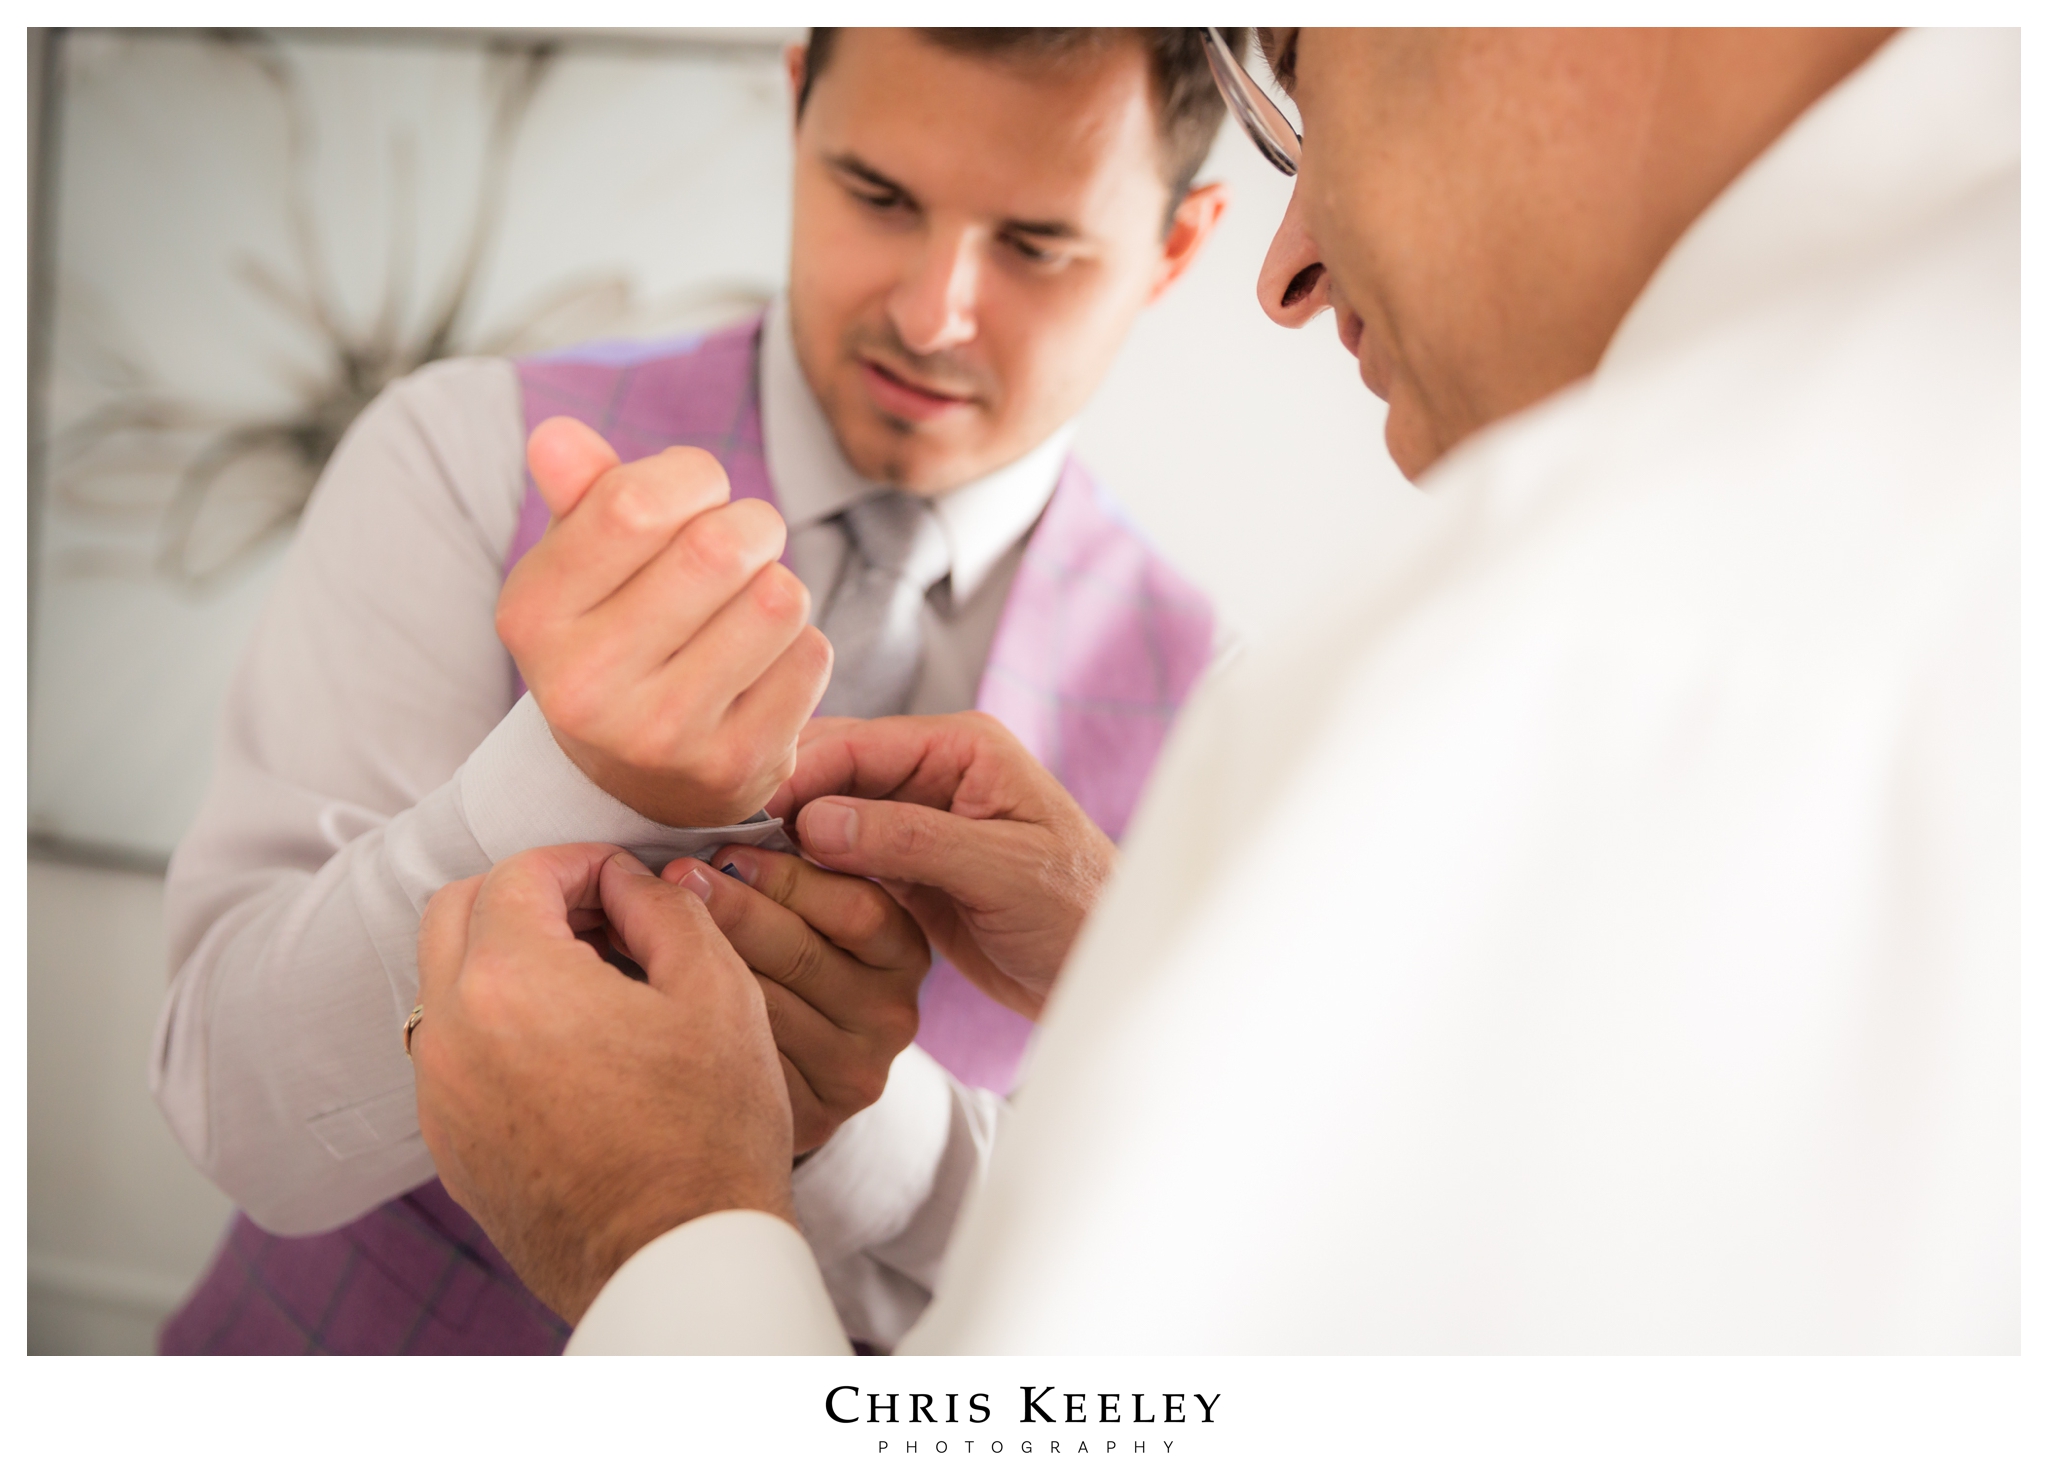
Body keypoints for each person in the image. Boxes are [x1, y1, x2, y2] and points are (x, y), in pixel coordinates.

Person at [411, 26, 2015, 1351]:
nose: (1292, 266)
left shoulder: (1567, 661)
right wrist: (1132, 955)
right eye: (878, 193)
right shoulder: (449, 456)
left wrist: (662, 1231)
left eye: (1300, 76)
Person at [152, 28, 1244, 1354]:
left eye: (1035, 245)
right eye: (879, 195)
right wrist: (567, 781)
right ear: (796, 112)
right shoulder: (461, 455)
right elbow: (236, 1114)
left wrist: (856, 1131)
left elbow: (1165, 1288)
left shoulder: (1229, 707)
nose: (929, 309)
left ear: (1178, 248)